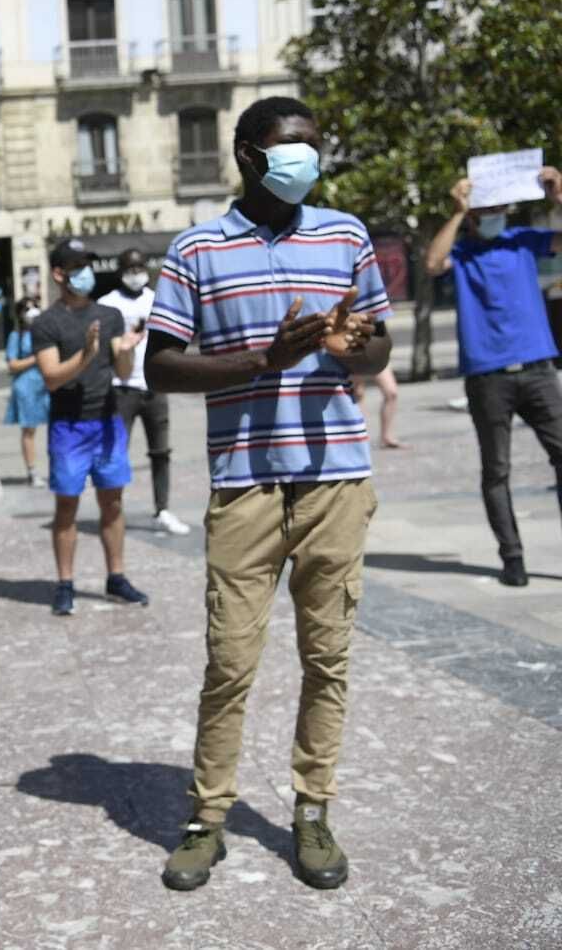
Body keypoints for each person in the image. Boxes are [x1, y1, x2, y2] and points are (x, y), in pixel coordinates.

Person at [145, 95, 392, 893]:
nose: (306, 159)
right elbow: (160, 366)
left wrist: (351, 346)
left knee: (328, 657)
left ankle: (313, 810)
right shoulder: (196, 250)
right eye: (292, 146)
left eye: (314, 145)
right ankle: (206, 818)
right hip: (244, 484)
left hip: (335, 481)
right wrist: (263, 359)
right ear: (248, 155)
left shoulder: (345, 235)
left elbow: (378, 344)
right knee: (229, 661)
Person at [423, 168, 562, 586]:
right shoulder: (463, 251)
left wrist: (558, 195)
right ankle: (512, 557)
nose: (495, 214)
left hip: (538, 368)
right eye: (487, 209)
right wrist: (456, 212)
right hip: (487, 376)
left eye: (501, 207)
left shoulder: (523, 240)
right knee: (496, 470)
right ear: (472, 215)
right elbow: (432, 263)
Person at [33, 239, 148, 617]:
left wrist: (127, 350)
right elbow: (52, 378)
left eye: (88, 264)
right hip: (69, 427)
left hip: (107, 421)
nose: (85, 272)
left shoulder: (109, 315)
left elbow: (123, 372)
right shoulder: (46, 323)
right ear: (59, 274)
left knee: (112, 502)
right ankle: (65, 584)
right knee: (67, 504)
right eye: (77, 266)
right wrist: (85, 355)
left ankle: (116, 577)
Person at [99, 249, 191, 536]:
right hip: (121, 389)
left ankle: (162, 509)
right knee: (117, 452)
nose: (136, 273)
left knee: (161, 451)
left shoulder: (157, 300)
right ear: (120, 271)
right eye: (130, 268)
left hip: (155, 387)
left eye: (140, 267)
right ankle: (113, 510)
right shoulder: (107, 304)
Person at [3, 296, 50, 487]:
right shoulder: (17, 336)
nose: (32, 312)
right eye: (27, 309)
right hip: (27, 386)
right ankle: (32, 472)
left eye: (35, 307)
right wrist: (36, 358)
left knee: (57, 426)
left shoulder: (48, 331)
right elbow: (12, 364)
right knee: (29, 430)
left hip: (48, 383)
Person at [351, 368, 406, 449]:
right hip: (354, 361)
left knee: (391, 393)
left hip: (378, 360)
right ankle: (357, 438)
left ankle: (386, 437)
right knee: (357, 393)